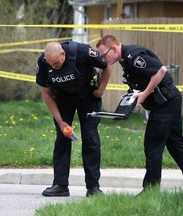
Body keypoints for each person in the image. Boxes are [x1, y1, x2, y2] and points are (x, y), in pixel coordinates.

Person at [96, 35, 183, 193]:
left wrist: (144, 94)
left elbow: (160, 71)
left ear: (114, 49)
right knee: (175, 143)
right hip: (170, 100)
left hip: (165, 103)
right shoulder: (126, 59)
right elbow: (142, 80)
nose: (103, 59)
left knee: (152, 145)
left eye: (104, 55)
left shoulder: (134, 56)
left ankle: (150, 189)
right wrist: (131, 94)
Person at [36, 40, 111, 197]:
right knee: (62, 139)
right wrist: (61, 122)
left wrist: (101, 90)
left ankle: (93, 187)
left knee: (90, 138)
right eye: (51, 65)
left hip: (88, 97)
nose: (54, 67)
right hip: (63, 99)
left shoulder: (83, 52)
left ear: (63, 54)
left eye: (56, 63)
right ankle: (60, 185)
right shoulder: (44, 63)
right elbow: (46, 93)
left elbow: (107, 66)